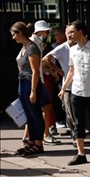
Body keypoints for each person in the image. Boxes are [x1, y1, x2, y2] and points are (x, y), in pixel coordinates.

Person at [58, 20, 90, 165]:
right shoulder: (72, 50)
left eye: (71, 32)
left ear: (80, 32)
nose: (69, 35)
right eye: (68, 32)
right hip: (77, 90)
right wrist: (63, 88)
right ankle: (81, 153)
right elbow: (71, 71)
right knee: (78, 122)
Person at [11, 22, 46, 156]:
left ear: (21, 33)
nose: (13, 37)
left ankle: (38, 143)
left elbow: (35, 71)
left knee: (35, 114)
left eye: (14, 34)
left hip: (31, 82)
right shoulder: (24, 47)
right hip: (22, 82)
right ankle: (31, 141)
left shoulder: (32, 48)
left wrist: (33, 90)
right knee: (28, 115)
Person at [43, 24, 77, 148]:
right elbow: (45, 60)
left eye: (58, 34)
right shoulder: (61, 48)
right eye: (68, 33)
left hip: (83, 83)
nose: (55, 37)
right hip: (68, 85)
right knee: (69, 110)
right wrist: (58, 70)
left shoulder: (82, 46)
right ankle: (75, 136)